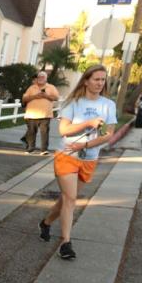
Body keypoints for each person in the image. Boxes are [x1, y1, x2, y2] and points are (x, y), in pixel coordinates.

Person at [39, 64, 116, 259]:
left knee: (66, 199)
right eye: (96, 79)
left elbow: (109, 134)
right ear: (86, 80)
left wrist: (86, 146)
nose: (100, 83)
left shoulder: (108, 105)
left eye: (103, 79)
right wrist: (88, 123)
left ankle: (46, 223)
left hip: (89, 158)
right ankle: (66, 243)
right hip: (67, 156)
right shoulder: (73, 102)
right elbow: (64, 130)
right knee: (71, 199)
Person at [21, 70, 60, 155]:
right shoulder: (32, 88)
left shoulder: (51, 87)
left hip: (45, 114)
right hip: (31, 114)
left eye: (43, 77)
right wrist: (35, 96)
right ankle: (30, 148)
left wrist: (47, 96)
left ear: (46, 78)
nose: (41, 78)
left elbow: (56, 98)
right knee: (31, 133)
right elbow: (24, 99)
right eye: (39, 77)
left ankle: (44, 150)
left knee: (44, 133)